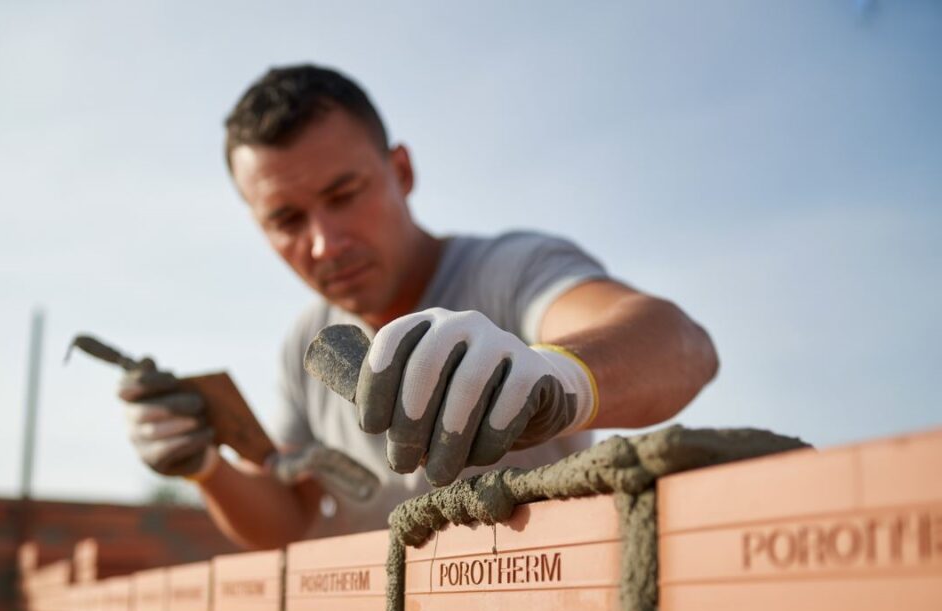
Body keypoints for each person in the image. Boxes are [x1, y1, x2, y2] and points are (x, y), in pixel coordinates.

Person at [120, 64, 719, 549]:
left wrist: (555, 377)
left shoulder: (508, 272)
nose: (325, 243)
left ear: (401, 171)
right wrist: (205, 467)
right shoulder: (307, 341)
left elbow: (681, 347)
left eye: (344, 194)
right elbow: (288, 519)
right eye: (287, 220)